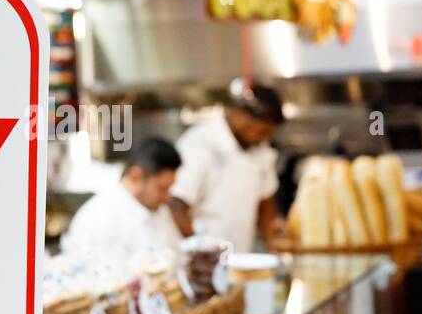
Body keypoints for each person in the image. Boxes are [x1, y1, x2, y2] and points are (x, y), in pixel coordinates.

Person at [169, 82, 285, 253]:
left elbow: (265, 202)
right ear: (243, 115)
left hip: (240, 259)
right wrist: (203, 250)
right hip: (203, 263)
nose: (263, 139)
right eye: (261, 131)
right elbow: (176, 207)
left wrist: (275, 250)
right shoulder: (199, 144)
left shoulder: (260, 150)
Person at [60, 137, 183, 273]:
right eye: (162, 188)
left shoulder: (157, 208)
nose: (168, 196)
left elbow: (178, 257)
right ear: (135, 176)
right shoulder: (98, 218)